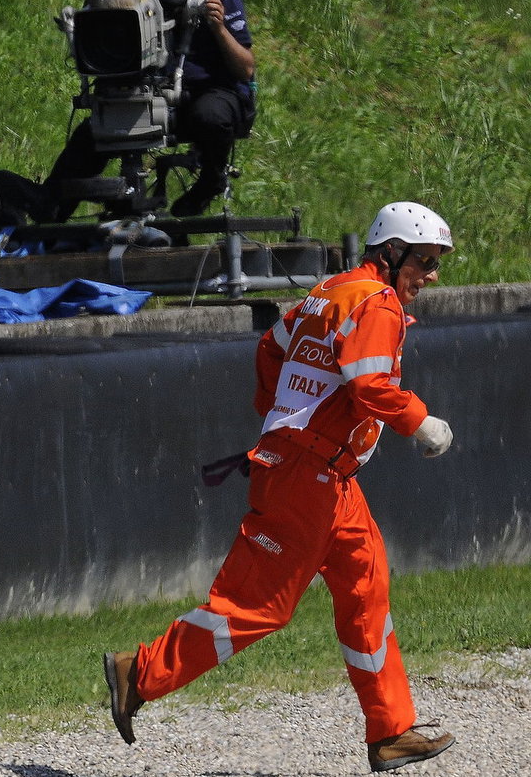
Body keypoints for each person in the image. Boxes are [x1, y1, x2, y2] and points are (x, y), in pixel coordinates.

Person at [104, 202, 458, 773]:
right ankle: (139, 673)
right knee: (255, 607)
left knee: (366, 589)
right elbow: (370, 385)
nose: (432, 275)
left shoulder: (331, 291)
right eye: (424, 261)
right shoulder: (376, 301)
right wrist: (422, 422)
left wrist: (281, 418)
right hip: (306, 476)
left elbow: (271, 346)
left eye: (436, 263)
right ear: (391, 253)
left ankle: (391, 730)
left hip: (324, 475)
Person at [43, 0, 256, 220]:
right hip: (143, 95)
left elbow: (245, 69)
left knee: (209, 115)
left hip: (207, 92)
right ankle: (47, 215)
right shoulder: (125, 0)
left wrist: (219, 28)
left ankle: (211, 181)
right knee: (91, 137)